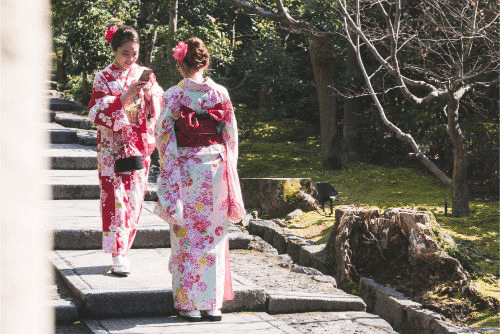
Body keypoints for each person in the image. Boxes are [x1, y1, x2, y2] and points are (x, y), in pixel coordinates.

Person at [155, 37, 245, 321]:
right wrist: (229, 166)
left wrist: (167, 166)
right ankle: (212, 304)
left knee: (185, 234)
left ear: (180, 64)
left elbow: (163, 135)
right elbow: (230, 134)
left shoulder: (173, 95)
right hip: (215, 170)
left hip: (185, 170)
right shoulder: (221, 93)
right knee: (214, 236)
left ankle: (190, 304)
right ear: (206, 63)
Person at [88, 24, 163, 276]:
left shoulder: (145, 73)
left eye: (134, 53)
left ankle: (124, 249)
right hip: (111, 146)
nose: (130, 59)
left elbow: (156, 109)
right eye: (125, 53)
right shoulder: (103, 77)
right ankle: (117, 254)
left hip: (138, 145)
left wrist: (151, 96)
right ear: (114, 50)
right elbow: (95, 111)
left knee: (134, 199)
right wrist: (123, 97)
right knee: (115, 199)